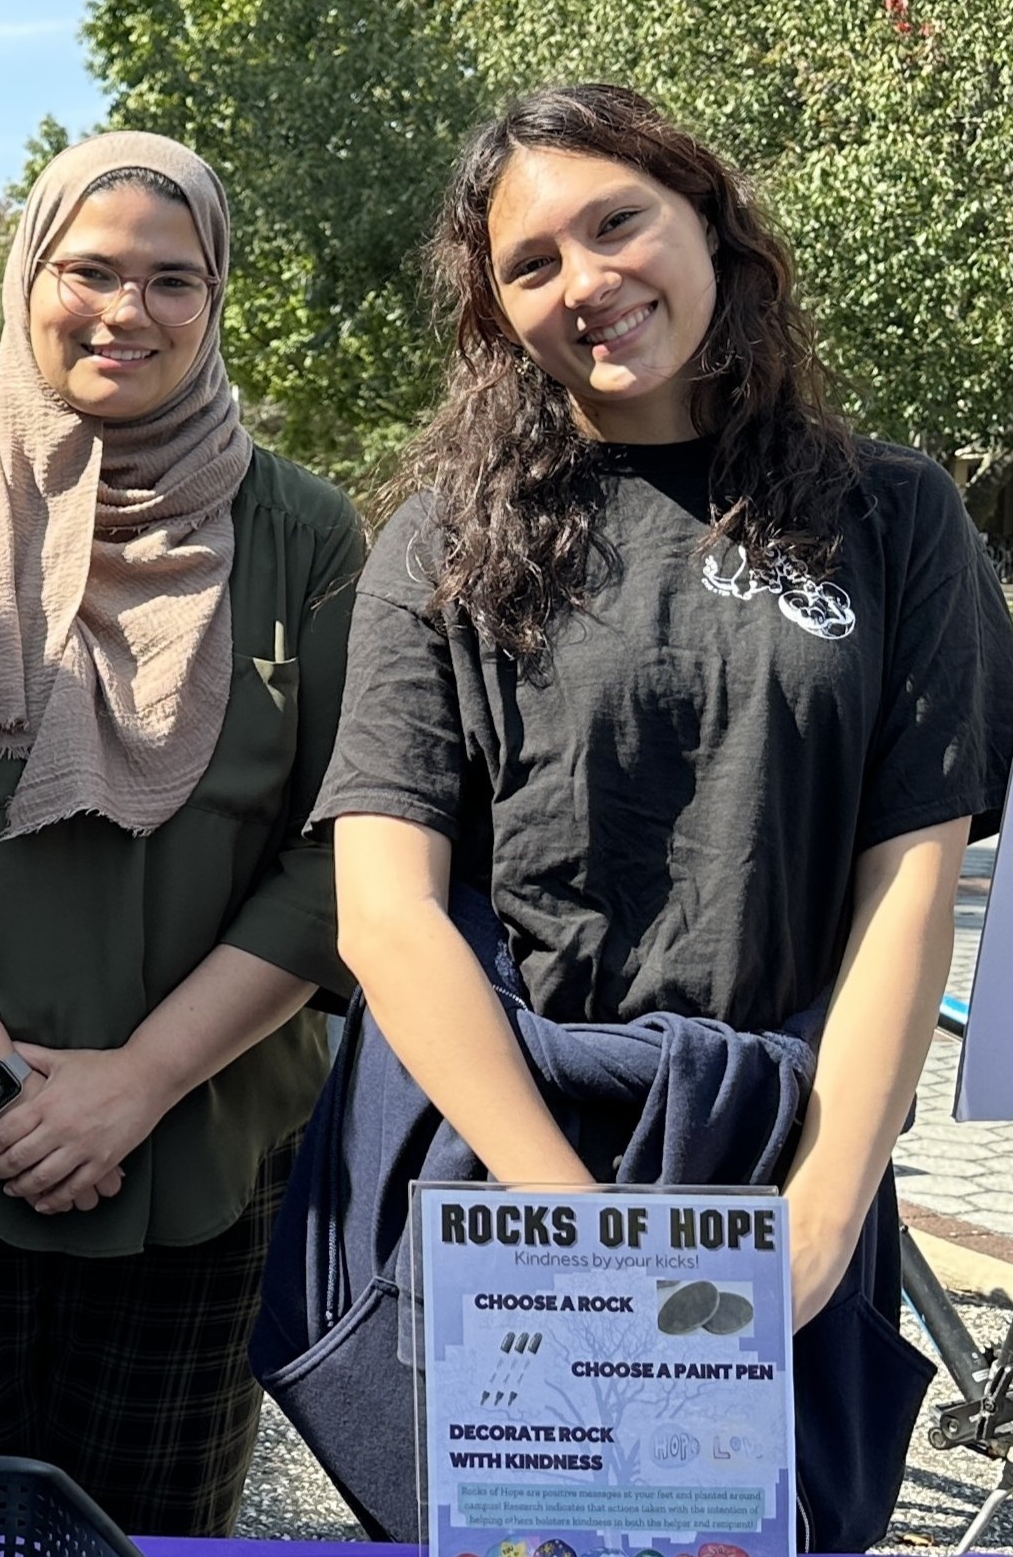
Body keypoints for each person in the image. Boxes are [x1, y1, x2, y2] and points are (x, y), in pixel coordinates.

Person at [251, 83, 1013, 1549]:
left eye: (619, 224)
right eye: (532, 264)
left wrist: (826, 1208)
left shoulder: (895, 514)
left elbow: (911, 889)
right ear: (496, 311)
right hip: (502, 1168)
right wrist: (576, 1236)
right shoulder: (442, 539)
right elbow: (383, 909)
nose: (587, 281)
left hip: (773, 1157)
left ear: (712, 227)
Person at [0, 130, 363, 1537]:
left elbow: (341, 849)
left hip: (199, 1159)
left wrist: (136, 1085)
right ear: (29, 279)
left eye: (173, 279)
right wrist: (0, 1091)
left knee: (153, 1536)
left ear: (216, 297)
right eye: (91, 271)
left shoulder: (307, 541)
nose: (128, 310)